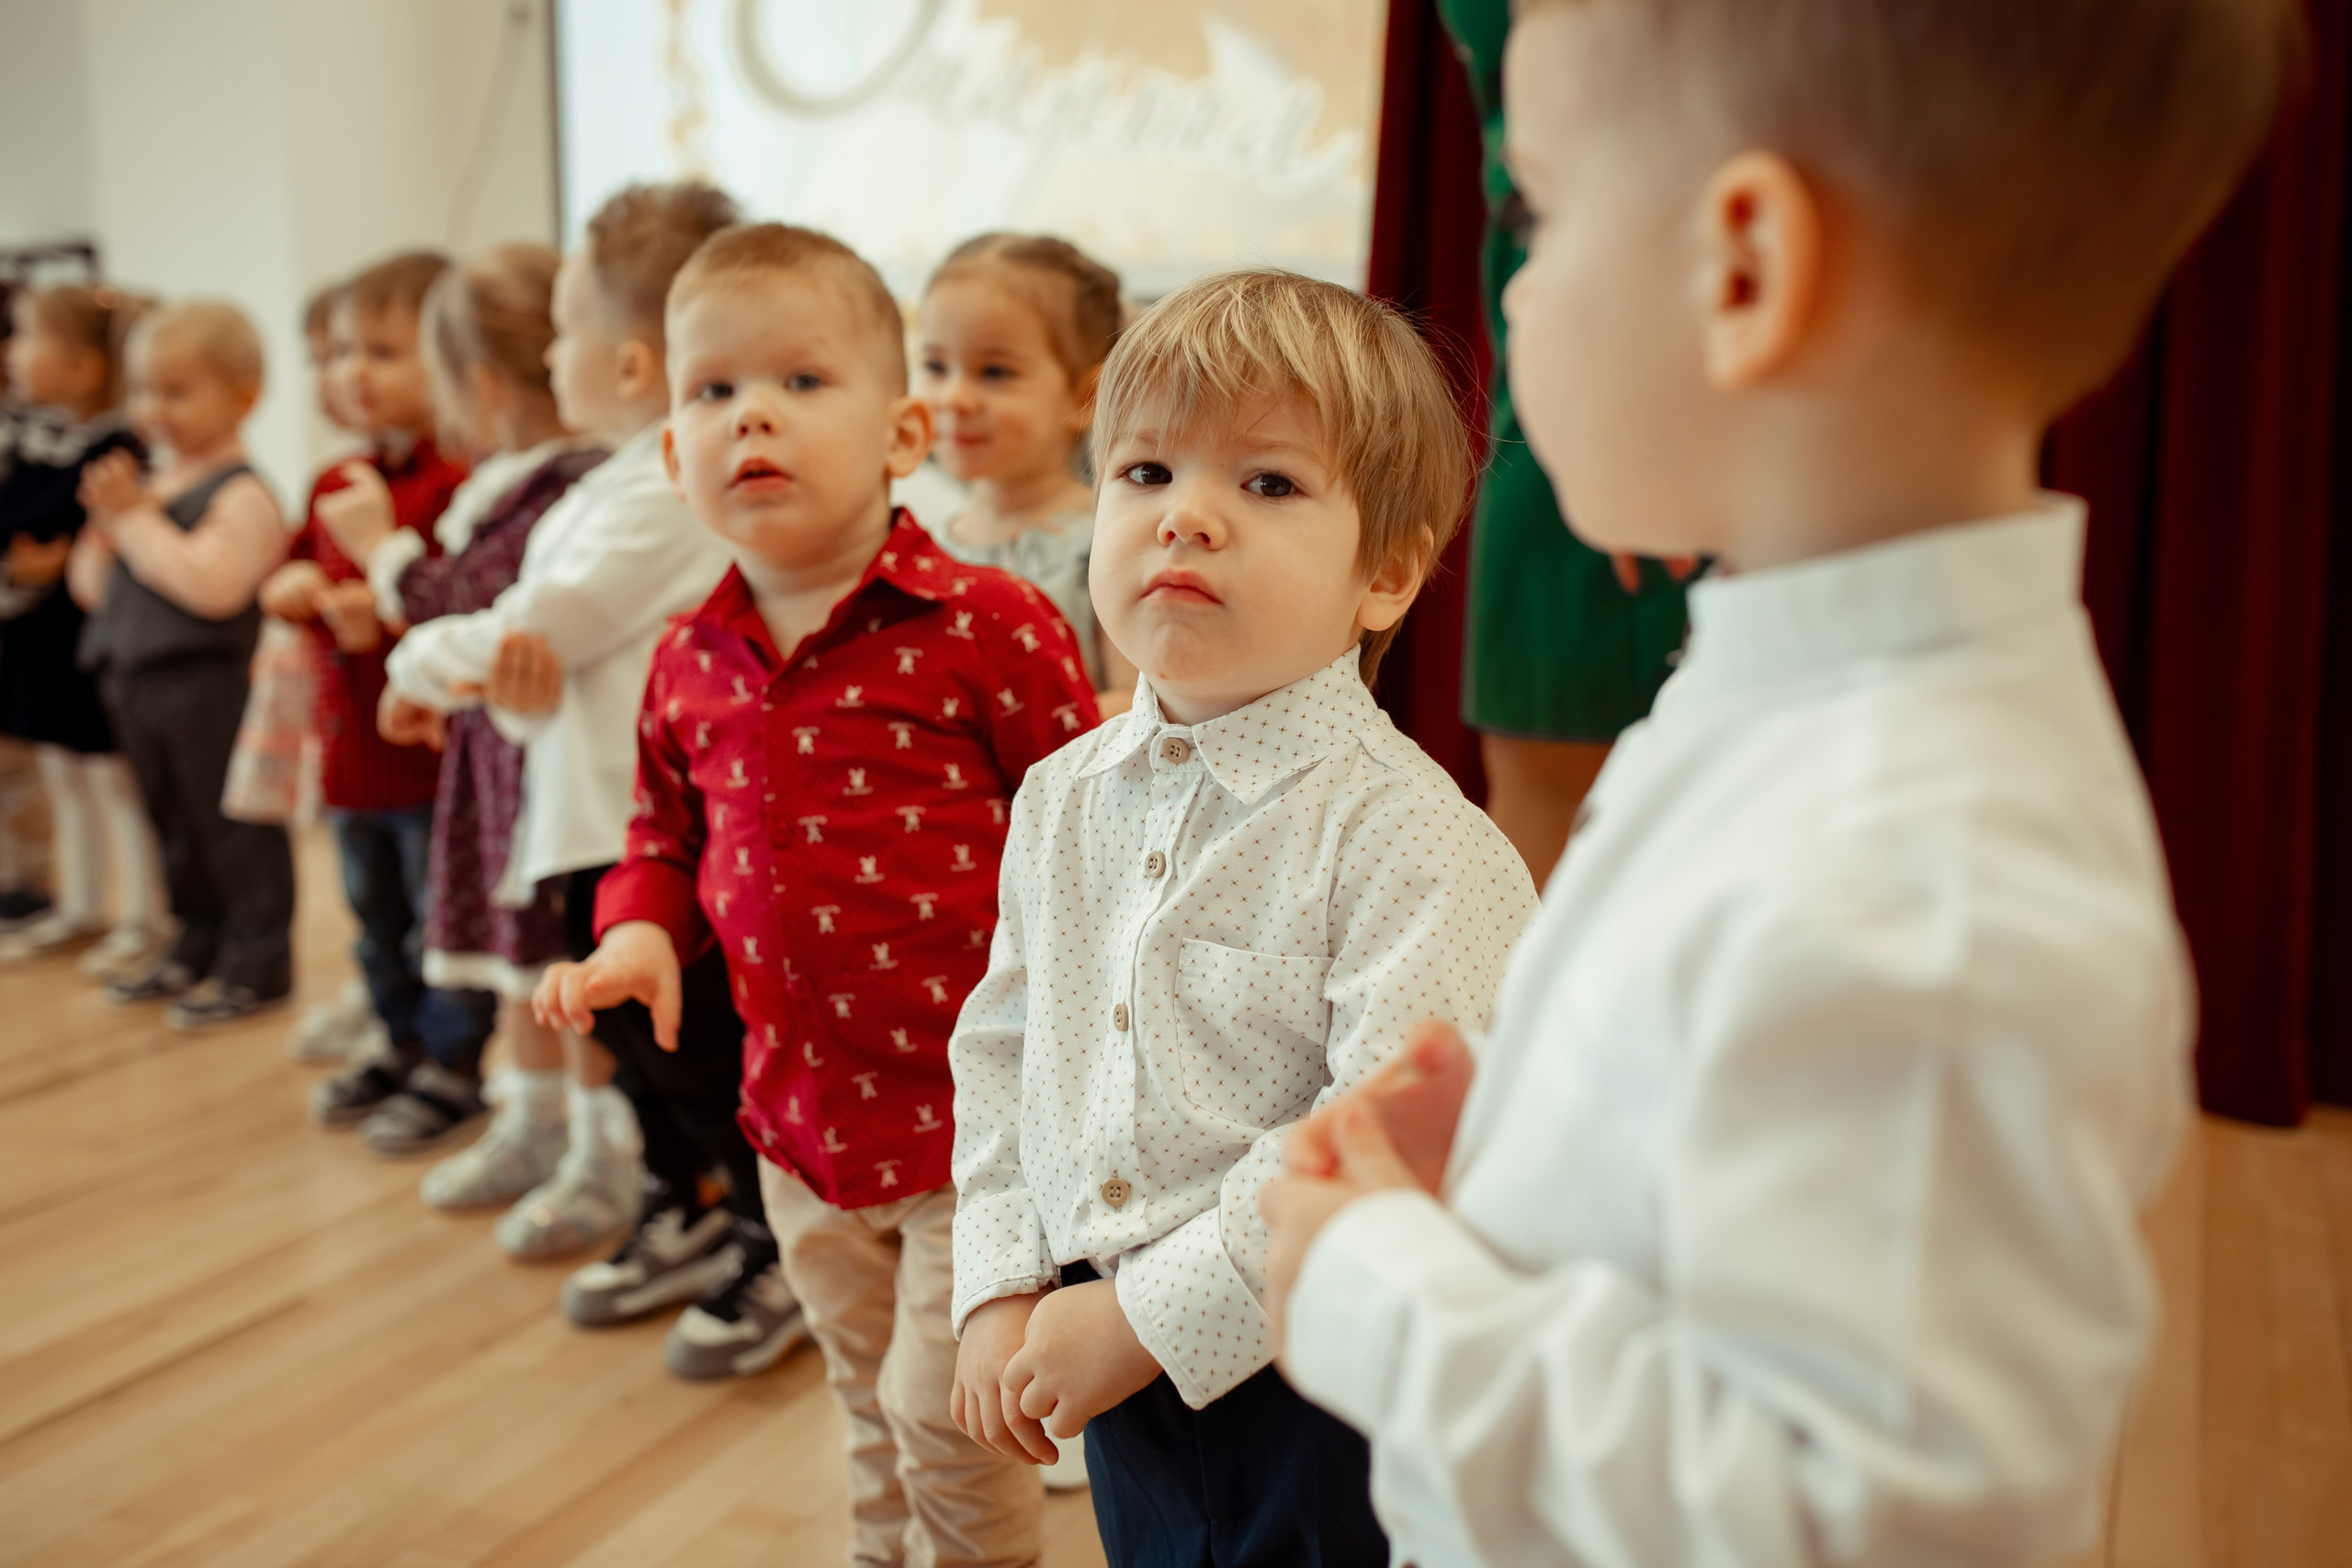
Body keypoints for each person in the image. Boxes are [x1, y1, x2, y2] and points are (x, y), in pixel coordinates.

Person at [1257, 3, 2301, 1563]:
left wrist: (1377, 1288)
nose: (1514, 296)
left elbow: (1841, 1518)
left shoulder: (1927, 885)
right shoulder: (1784, 692)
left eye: (1532, 212)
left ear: (1741, 271)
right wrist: (1534, 1146)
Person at [945, 268, 1538, 1568]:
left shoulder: (1406, 836)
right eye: (1145, 472)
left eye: (1266, 484)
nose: (1186, 520)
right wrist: (997, 1278)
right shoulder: (1058, 794)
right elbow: (1005, 1049)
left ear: (1386, 572)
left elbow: (1384, 1135)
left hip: (1326, 1378)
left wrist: (1148, 1316)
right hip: (1110, 1357)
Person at [537, 220, 1097, 1556]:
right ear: (672, 454)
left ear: (904, 432)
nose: (752, 421)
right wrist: (632, 938)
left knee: (944, 1410)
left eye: (799, 381)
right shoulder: (686, 659)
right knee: (865, 1399)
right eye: (713, 392)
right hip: (800, 1124)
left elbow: (1089, 829)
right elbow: (659, 843)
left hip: (982, 1125)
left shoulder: (990, 626)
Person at [383, 183, 741, 1269]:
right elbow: (526, 651)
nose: (547, 360)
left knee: (687, 1056)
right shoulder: (612, 486)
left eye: (564, 333)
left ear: (631, 366)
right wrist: (490, 669)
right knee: (640, 1055)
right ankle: (687, 1201)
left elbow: (535, 629)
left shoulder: (662, 489)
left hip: (635, 826)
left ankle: (745, 1231)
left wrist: (415, 659)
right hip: (586, 815)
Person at [322, 245, 606, 1164]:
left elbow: (462, 599)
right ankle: (530, 1123)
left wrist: (380, 550)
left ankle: (597, 1152)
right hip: (496, 750)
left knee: (553, 964)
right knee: (511, 957)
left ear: (479, 385)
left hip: (542, 762)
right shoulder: (517, 478)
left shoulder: (565, 483)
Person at [266, 253, 500, 1148]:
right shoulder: (334, 481)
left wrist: (390, 624)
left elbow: (472, 617)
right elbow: (291, 561)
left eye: (381, 352)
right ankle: (397, 1041)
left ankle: (452, 1064)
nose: (351, 374)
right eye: (336, 354)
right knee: (374, 922)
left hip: (429, 762)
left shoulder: (454, 487)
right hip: (351, 757)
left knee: (436, 924)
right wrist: (289, 586)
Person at [69, 299, 296, 1027]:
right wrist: (107, 531)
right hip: (135, 681)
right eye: (142, 391)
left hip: (207, 684)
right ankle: (195, 938)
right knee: (172, 826)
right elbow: (91, 591)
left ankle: (257, 960)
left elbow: (214, 586)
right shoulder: (149, 488)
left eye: (176, 390)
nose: (153, 409)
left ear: (243, 396)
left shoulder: (241, 493)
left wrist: (134, 521)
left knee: (232, 829)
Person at [0, 284, 170, 976]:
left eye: (28, 336)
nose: (13, 352)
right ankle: (82, 904)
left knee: (112, 781)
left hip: (91, 641)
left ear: (83, 367)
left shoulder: (117, 448)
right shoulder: (39, 439)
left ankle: (144, 913)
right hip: (41, 641)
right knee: (64, 773)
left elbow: (45, 518)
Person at [917, 232, 1138, 716]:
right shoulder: (920, 554)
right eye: (936, 366)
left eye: (994, 372)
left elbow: (1134, 707)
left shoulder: (1106, 544)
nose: (953, 397)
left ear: (1086, 397)